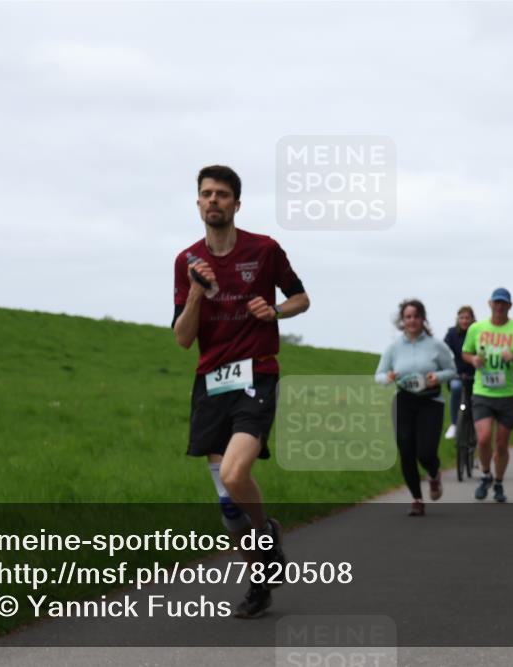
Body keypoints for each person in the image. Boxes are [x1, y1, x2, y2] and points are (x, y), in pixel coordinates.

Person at [173, 165, 310, 618]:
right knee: (228, 509)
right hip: (211, 385)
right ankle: (259, 583)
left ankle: (266, 530)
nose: (214, 200)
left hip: (257, 375)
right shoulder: (187, 261)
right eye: (206, 194)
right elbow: (182, 338)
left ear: (236, 203)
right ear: (197, 203)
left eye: (223, 194)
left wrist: (274, 311)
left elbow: (301, 298)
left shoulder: (264, 249)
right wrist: (195, 293)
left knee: (235, 476)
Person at [375, 299, 457, 516]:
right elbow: (379, 376)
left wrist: (437, 377)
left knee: (426, 451)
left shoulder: (436, 345)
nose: (412, 321)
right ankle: (417, 499)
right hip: (404, 401)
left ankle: (433, 474)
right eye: (408, 317)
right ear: (403, 321)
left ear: (423, 319)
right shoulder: (393, 348)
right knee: (406, 450)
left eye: (416, 316)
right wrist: (389, 377)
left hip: (430, 401)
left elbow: (451, 370)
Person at [462, 287, 513, 503]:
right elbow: (466, 352)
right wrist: (473, 360)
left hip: (509, 394)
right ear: (490, 304)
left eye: (504, 303)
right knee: (484, 439)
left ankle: (499, 482)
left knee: (502, 444)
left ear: (510, 306)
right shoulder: (476, 328)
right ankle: (486, 474)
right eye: (496, 302)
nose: (500, 306)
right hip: (483, 391)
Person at [443, 306, 476, 439]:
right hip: (457, 373)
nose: (464, 321)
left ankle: (475, 426)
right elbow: (443, 350)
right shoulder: (451, 333)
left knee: (476, 398)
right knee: (456, 388)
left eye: (467, 318)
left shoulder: (477, 332)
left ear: (472, 319)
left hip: (475, 374)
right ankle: (454, 424)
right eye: (462, 318)